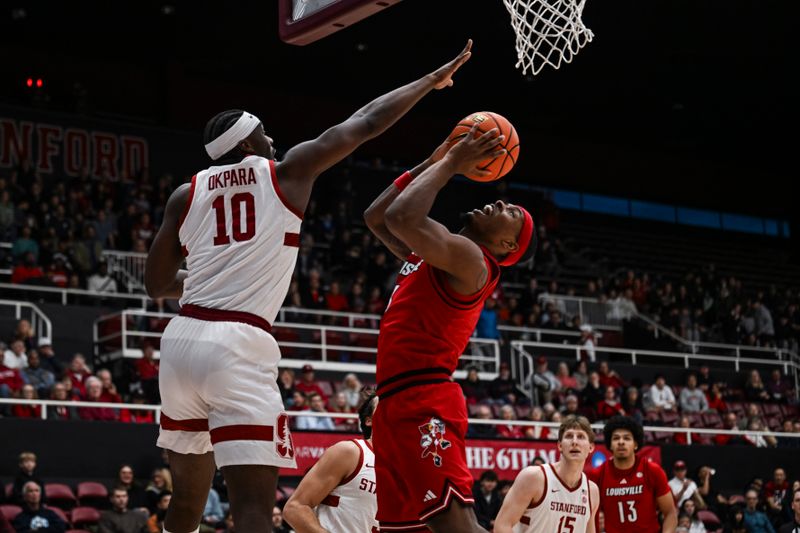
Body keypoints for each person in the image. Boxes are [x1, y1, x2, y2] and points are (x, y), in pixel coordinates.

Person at [144, 39, 473, 533]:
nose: (273, 141)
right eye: (265, 134)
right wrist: (429, 82)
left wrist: (202, 279)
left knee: (186, 500)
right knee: (254, 510)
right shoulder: (285, 173)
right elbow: (364, 122)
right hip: (238, 343)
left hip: (181, 339)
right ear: (248, 145)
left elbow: (154, 284)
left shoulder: (185, 193)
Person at [364, 120, 537, 532]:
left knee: (457, 527)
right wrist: (438, 156)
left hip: (425, 400)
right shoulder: (436, 252)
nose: (499, 204)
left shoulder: (472, 261)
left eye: (510, 213)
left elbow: (404, 215)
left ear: (507, 246)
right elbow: (377, 217)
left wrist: (454, 162)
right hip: (392, 404)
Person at [283, 391, 379, 532]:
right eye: (384, 405)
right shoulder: (351, 452)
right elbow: (295, 508)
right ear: (368, 420)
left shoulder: (407, 470)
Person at [493, 415, 600, 533]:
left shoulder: (592, 491)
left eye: (581, 437)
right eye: (569, 436)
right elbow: (502, 525)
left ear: (591, 447)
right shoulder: (534, 477)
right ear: (559, 445)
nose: (574, 442)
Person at [587, 416, 677, 533]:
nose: (621, 442)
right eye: (616, 438)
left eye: (627, 438)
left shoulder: (652, 470)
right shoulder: (597, 475)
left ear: (636, 444)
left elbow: (670, 513)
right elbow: (589, 517)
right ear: (610, 445)